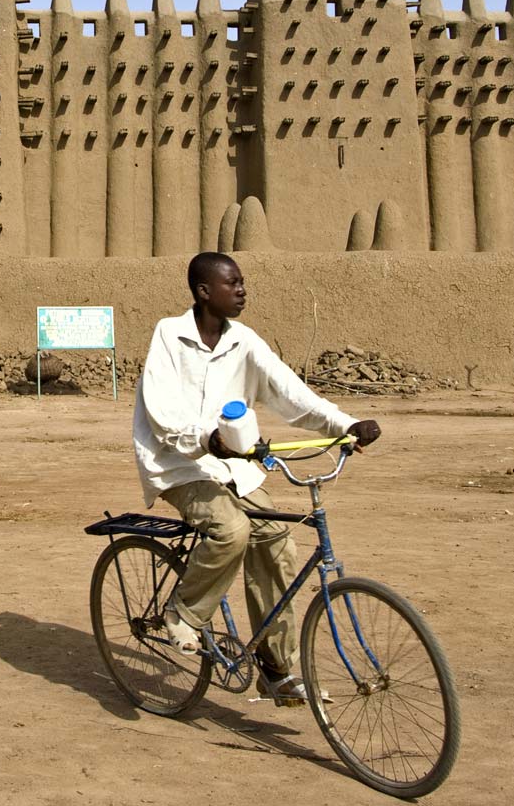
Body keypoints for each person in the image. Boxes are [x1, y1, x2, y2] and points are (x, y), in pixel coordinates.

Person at [132, 252, 381, 705]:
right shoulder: (169, 334)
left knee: (277, 542)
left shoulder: (244, 341)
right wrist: (206, 440)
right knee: (231, 529)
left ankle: (275, 668)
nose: (243, 290)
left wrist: (344, 424)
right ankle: (184, 614)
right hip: (179, 465)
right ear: (205, 292)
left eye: (243, 282)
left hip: (235, 469)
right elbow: (161, 411)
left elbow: (291, 394)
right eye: (233, 283)